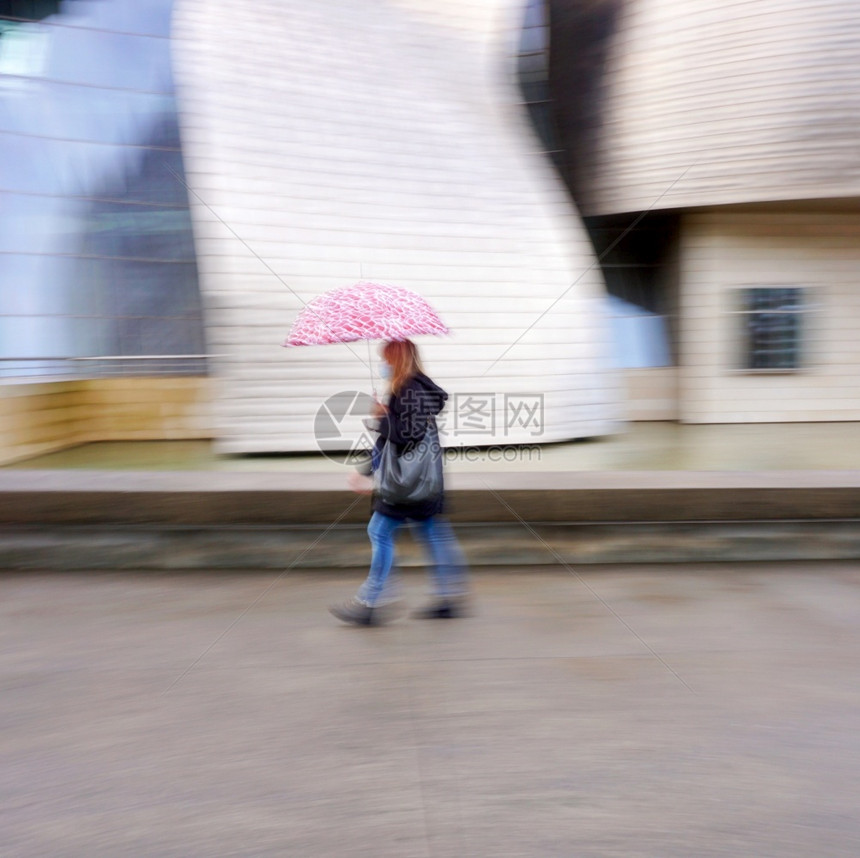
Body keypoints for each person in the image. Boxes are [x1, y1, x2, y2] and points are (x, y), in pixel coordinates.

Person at [330, 339, 469, 626]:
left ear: (397, 358)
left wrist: (381, 418)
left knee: (380, 531)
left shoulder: (410, 390)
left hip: (407, 484)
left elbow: (407, 435)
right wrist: (367, 469)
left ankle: (373, 600)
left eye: (386, 359)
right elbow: (393, 440)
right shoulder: (410, 387)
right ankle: (449, 595)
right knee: (432, 534)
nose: (383, 365)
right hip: (420, 483)